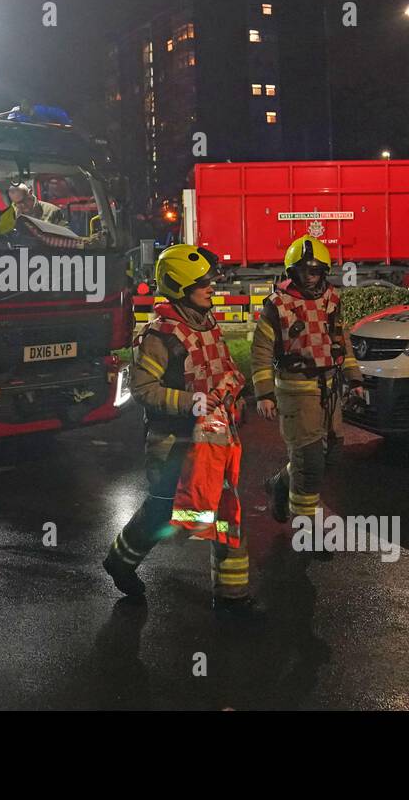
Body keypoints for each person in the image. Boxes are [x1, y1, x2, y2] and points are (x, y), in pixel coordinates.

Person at [104, 244, 254, 612]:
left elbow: (223, 369)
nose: (211, 288)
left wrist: (236, 396)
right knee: (163, 513)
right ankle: (120, 561)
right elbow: (142, 390)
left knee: (223, 511)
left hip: (214, 440)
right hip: (174, 444)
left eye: (210, 281)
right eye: (201, 283)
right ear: (178, 286)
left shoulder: (208, 322)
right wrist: (191, 403)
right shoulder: (160, 336)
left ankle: (233, 596)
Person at [251, 236, 362, 555]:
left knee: (330, 456)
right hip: (296, 390)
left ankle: (280, 483)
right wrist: (264, 394)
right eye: (304, 270)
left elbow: (342, 341)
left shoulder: (332, 300)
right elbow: (260, 352)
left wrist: (354, 379)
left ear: (324, 270)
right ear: (293, 271)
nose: (310, 275)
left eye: (315, 270)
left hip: (328, 390)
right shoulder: (278, 305)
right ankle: (308, 536)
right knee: (310, 463)